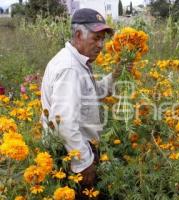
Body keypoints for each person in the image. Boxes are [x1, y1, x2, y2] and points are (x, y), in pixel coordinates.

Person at [41, 8, 123, 199]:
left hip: (77, 150)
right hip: (73, 155)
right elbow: (64, 124)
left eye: (103, 39)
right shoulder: (69, 68)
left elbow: (93, 94)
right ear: (78, 35)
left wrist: (116, 74)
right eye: (96, 38)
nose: (101, 45)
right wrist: (83, 163)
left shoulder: (78, 63)